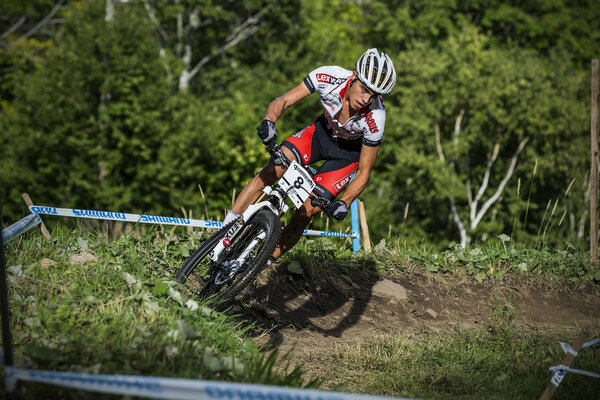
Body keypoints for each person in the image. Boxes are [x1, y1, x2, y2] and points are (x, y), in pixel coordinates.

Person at [224, 48, 396, 264]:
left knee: (307, 211)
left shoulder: (376, 118)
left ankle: (260, 262)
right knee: (272, 169)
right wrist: (269, 121)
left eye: (374, 95)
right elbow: (283, 101)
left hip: (346, 156)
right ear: (354, 76)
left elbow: (364, 170)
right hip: (320, 135)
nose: (366, 98)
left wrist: (344, 201)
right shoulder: (330, 76)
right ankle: (224, 232)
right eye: (364, 89)